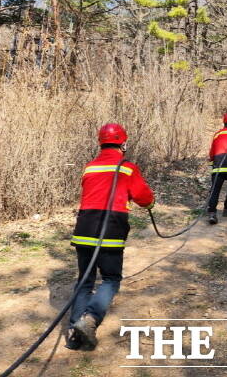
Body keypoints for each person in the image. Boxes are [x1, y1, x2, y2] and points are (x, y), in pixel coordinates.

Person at [68, 123, 155, 351]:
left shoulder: (89, 167)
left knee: (84, 281)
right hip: (111, 228)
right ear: (123, 143)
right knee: (110, 279)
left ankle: (74, 334)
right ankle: (89, 320)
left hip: (84, 227)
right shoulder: (127, 167)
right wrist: (150, 203)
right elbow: (143, 196)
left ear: (100, 143)